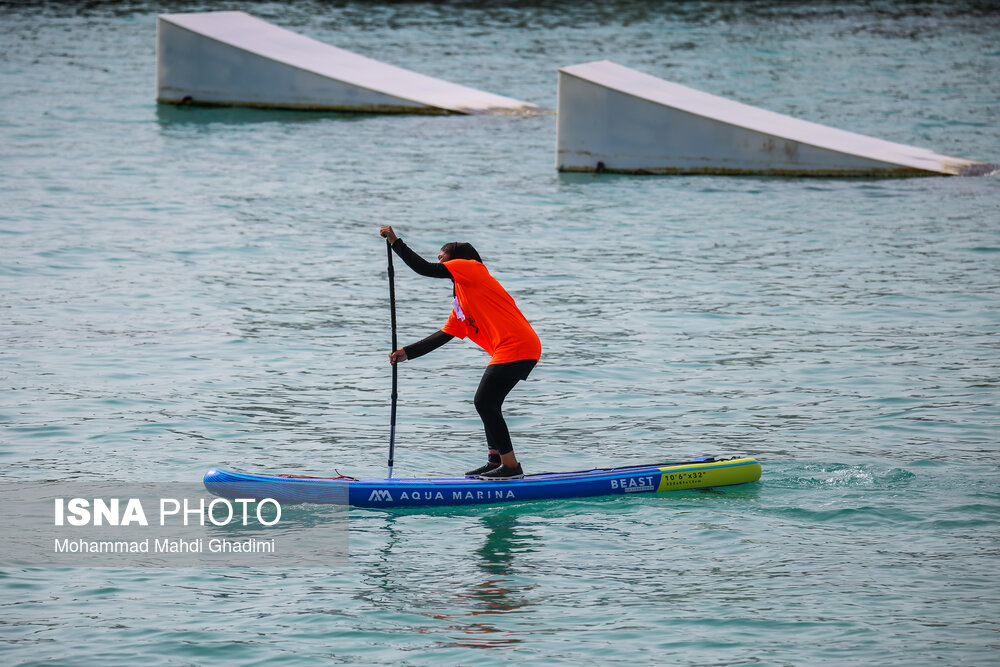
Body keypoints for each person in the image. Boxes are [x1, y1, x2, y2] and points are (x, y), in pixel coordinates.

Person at [379, 225, 541, 479]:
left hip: (517, 345)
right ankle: (494, 461)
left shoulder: (472, 267)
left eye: (442, 257)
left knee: (484, 401)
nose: (439, 262)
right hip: (513, 347)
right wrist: (407, 352)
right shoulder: (463, 301)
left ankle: (511, 467)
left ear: (456, 259)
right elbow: (445, 335)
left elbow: (424, 268)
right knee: (489, 403)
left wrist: (395, 242)